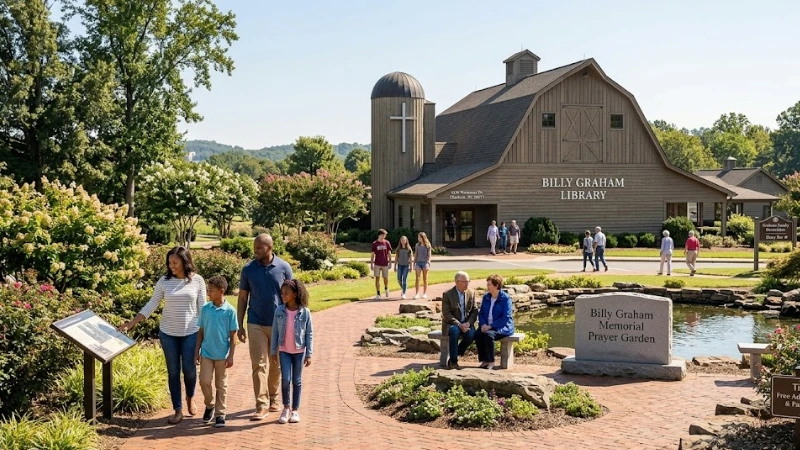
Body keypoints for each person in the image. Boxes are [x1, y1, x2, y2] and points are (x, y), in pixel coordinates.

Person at [119, 246, 206, 425]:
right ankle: (178, 410)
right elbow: (152, 304)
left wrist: (205, 336)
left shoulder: (197, 281)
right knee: (173, 372)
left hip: (190, 333)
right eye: (169, 262)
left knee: (189, 371)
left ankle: (190, 396)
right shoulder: (164, 281)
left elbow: (203, 310)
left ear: (184, 261)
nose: (171, 265)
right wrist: (132, 323)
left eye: (175, 262)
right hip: (168, 334)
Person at [237, 234, 294, 421]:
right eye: (254, 248)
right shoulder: (248, 269)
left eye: (259, 248)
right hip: (255, 323)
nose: (255, 251)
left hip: (280, 323)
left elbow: (293, 296)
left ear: (269, 248)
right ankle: (261, 405)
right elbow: (243, 298)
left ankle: (274, 397)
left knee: (276, 363)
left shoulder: (284, 267)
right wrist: (240, 324)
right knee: (258, 365)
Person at [195, 276, 238, 428]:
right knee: (204, 381)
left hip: (222, 354)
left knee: (221, 385)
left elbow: (233, 335)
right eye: (208, 290)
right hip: (206, 352)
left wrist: (231, 355)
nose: (208, 293)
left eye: (211, 291)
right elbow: (200, 331)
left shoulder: (230, 311)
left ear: (221, 291)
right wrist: (197, 351)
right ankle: (210, 404)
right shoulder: (206, 309)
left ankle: (220, 414)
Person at [270, 279, 313, 424]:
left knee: (297, 380)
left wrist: (309, 353)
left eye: (286, 293)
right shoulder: (279, 311)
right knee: (285, 379)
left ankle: (295, 410)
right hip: (284, 351)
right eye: (282, 293)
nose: (283, 295)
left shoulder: (305, 312)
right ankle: (286, 408)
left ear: (295, 294)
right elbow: (275, 332)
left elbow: (309, 333)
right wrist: (272, 352)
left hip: (299, 351)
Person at [474, 274, 515, 370]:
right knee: (478, 334)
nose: (487, 286)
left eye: (489, 285)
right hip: (487, 325)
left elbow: (506, 317)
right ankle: (484, 361)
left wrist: (491, 326)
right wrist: (483, 324)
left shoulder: (505, 298)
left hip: (502, 326)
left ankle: (491, 361)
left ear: (496, 286)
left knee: (489, 335)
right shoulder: (486, 297)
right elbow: (482, 313)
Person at [441, 271, 478, 370]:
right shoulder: (447, 294)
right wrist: (459, 324)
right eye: (465, 282)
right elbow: (446, 314)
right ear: (457, 282)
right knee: (454, 331)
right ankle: (453, 361)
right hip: (451, 324)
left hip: (466, 323)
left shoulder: (471, 293)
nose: (467, 284)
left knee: (471, 334)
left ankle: (455, 354)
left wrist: (468, 323)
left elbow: (474, 311)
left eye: (468, 281)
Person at [370, 229, 393, 299]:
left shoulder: (387, 243)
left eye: (385, 235)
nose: (384, 236)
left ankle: (386, 288)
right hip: (377, 263)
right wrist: (371, 263)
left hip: (385, 263)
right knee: (377, 278)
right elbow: (372, 254)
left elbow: (389, 253)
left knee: (385, 278)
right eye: (383, 235)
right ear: (379, 235)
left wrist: (390, 261)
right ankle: (378, 293)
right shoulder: (375, 244)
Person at [413, 232, 432, 299]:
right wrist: (414, 263)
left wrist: (428, 263)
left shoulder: (428, 245)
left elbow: (429, 255)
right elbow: (416, 254)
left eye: (420, 237)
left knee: (425, 279)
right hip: (418, 263)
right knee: (417, 278)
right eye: (418, 237)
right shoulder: (417, 245)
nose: (419, 239)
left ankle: (424, 293)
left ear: (423, 237)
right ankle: (417, 293)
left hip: (425, 263)